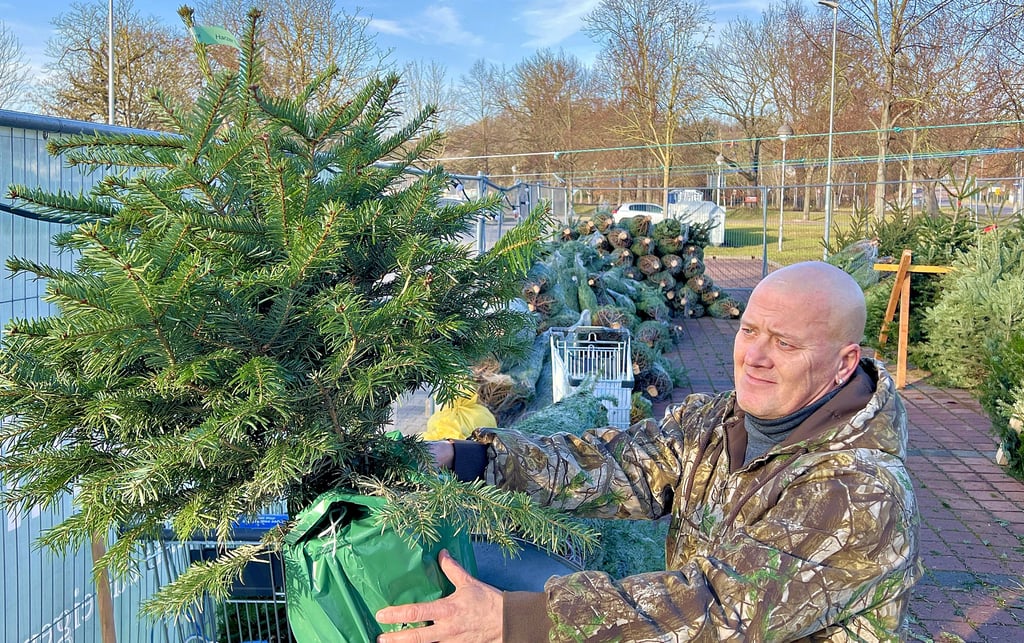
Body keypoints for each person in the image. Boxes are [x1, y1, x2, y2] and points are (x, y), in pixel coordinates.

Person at [377, 261, 922, 642]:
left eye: (784, 343)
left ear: (843, 363)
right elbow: (616, 465)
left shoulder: (858, 490)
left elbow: (718, 608)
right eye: (749, 330)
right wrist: (466, 458)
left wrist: (517, 622)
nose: (755, 356)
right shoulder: (718, 421)